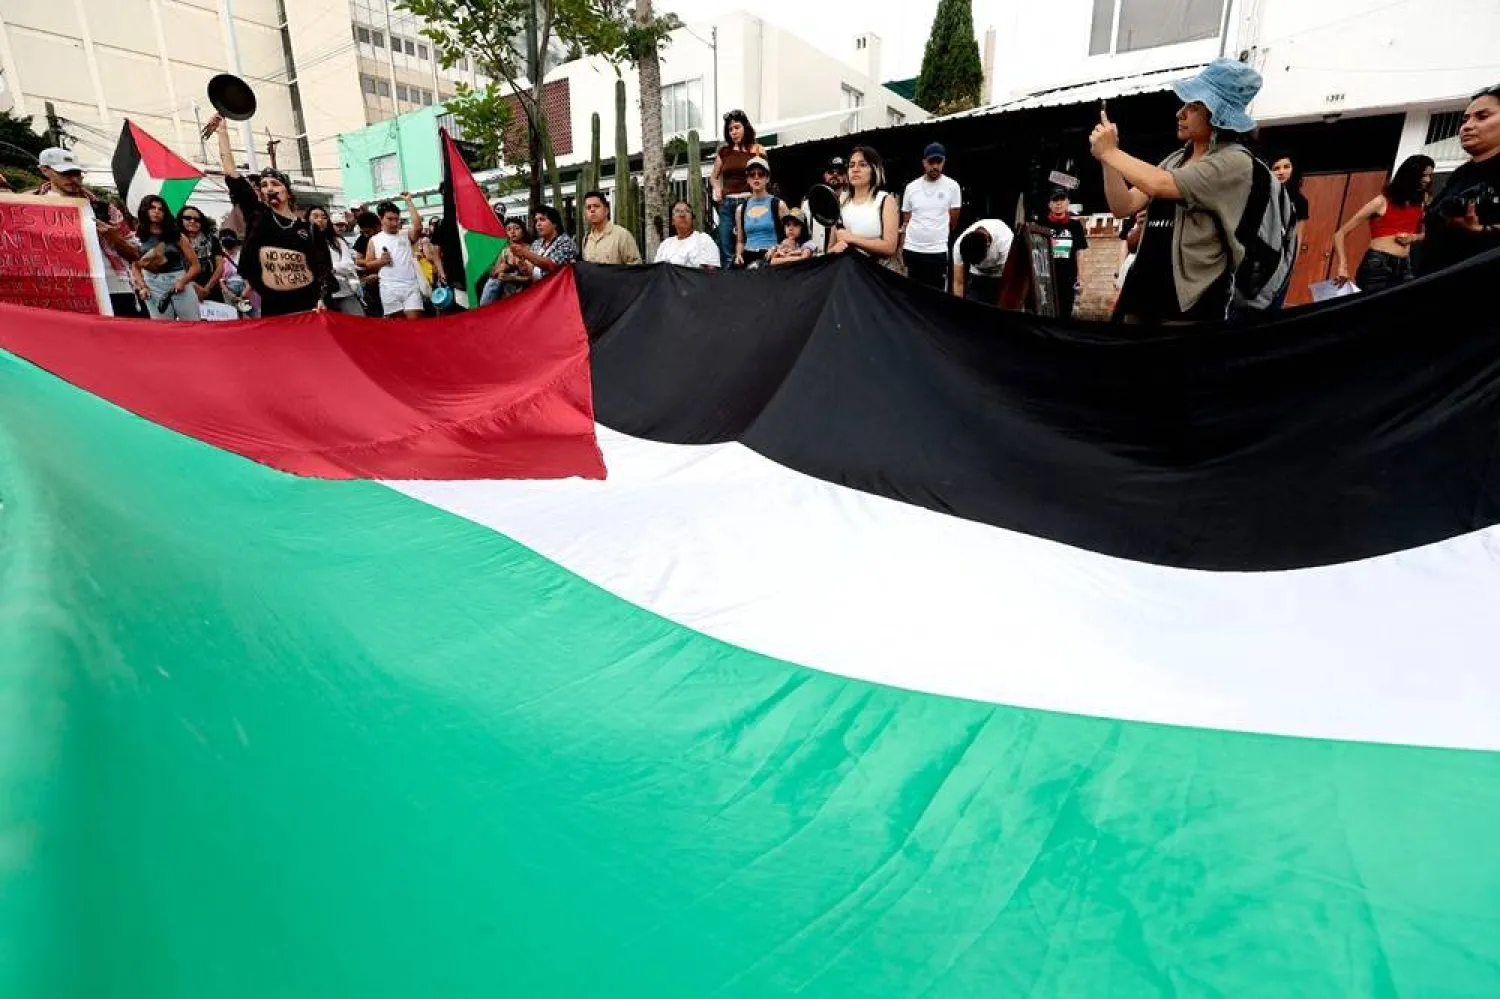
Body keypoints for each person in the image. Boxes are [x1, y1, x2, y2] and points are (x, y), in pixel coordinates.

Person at [1093, 58, 1263, 324]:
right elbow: (1123, 205)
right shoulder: (1174, 160)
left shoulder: (1234, 161)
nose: (1180, 113)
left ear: (1217, 115)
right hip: (1143, 295)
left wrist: (1112, 151)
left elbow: (1160, 184)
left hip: (1189, 305)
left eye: (1193, 107)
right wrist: (1108, 159)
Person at [209, 115, 331, 315]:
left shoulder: (308, 229)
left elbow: (323, 267)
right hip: (273, 307)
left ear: (288, 192)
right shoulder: (259, 216)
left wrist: (322, 298)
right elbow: (233, 176)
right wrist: (222, 132)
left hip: (307, 306)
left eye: (275, 184)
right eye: (264, 185)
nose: (269, 188)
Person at [33, 147, 142, 317]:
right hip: (62, 291)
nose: (73, 179)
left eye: (77, 173)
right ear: (45, 171)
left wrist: (113, 237)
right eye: (65, 174)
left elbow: (136, 253)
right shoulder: (32, 209)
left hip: (113, 287)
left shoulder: (104, 208)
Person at [1420, 85, 1500, 275]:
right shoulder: (1460, 174)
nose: (1467, 126)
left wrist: (1483, 230)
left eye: (1482, 117)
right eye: (1465, 119)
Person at [1331, 154, 1433, 294]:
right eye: (1423, 175)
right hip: (1378, 263)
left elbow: (1427, 234)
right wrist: (1342, 266)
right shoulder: (1382, 201)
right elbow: (1339, 234)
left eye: (1429, 175)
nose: (1427, 180)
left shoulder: (1421, 202)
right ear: (1410, 175)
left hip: (1405, 264)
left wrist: (1413, 238)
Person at [900, 143, 962, 291]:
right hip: (913, 248)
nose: (935, 166)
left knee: (937, 294)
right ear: (924, 162)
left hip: (937, 250)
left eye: (938, 162)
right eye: (931, 162)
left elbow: (953, 219)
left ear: (944, 162)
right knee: (912, 293)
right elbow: (906, 219)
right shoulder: (911, 187)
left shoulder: (952, 186)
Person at [710, 110, 767, 267]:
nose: (734, 132)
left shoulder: (756, 149)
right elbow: (714, 177)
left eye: (737, 127)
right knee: (727, 248)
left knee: (751, 246)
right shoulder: (724, 152)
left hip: (750, 204)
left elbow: (763, 175)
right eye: (730, 129)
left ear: (745, 128)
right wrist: (717, 189)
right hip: (728, 204)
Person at [131, 194, 202, 321]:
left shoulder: (177, 236)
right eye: (152, 208)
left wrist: (183, 281)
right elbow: (135, 266)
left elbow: (196, 266)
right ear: (144, 210)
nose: (157, 212)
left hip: (178, 281)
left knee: (192, 324)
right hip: (152, 285)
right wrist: (143, 287)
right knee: (162, 329)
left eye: (161, 209)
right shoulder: (137, 237)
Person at [828, 146, 899, 264]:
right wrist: (834, 250)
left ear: (874, 169)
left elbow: (890, 247)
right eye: (851, 165)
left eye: (862, 165)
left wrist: (852, 239)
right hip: (845, 273)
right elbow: (831, 247)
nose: (855, 169)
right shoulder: (841, 201)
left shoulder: (885, 200)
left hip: (873, 275)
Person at [361, 194, 425, 318]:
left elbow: (418, 227)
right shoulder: (374, 240)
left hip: (410, 285)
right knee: (399, 327)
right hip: (388, 287)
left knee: (415, 325)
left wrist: (409, 202)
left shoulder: (405, 234)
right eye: (390, 219)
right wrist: (380, 261)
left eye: (397, 219)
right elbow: (368, 265)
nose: (394, 223)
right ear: (381, 219)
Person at [309, 205, 365, 315]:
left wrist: (330, 269)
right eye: (315, 216)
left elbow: (348, 265)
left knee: (357, 324)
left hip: (343, 291)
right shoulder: (303, 242)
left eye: (324, 217)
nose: (320, 220)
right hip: (316, 297)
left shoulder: (337, 241)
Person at [1042, 190, 1089, 317]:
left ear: (1068, 202)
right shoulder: (1041, 224)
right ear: (1049, 204)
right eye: (1055, 201)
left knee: (1065, 310)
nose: (1058, 203)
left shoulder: (1075, 225)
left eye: (1062, 200)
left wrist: (1080, 275)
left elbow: (1080, 251)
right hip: (1045, 275)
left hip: (1068, 275)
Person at [733, 157, 787, 267]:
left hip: (772, 257)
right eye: (752, 175)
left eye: (761, 174)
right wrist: (738, 254)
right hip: (748, 259)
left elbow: (790, 237)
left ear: (767, 178)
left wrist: (776, 249)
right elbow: (740, 241)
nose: (756, 177)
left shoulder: (779, 205)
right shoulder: (740, 209)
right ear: (747, 179)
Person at [508, 205, 577, 283]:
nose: (538, 224)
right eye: (536, 221)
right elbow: (531, 272)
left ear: (554, 224)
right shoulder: (536, 243)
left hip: (557, 289)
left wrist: (525, 253)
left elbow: (551, 265)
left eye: (542, 220)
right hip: (538, 289)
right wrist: (524, 268)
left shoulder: (565, 242)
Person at [950, 218, 1014, 303]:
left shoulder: (1005, 241)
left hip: (1001, 275)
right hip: (976, 276)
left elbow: (1011, 279)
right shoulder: (959, 246)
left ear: (988, 245)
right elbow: (958, 282)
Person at [579, 191, 641, 265]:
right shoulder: (586, 239)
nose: (592, 210)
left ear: (606, 210)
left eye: (596, 206)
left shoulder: (621, 235)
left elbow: (636, 266)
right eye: (588, 207)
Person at [654, 200, 720, 269]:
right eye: (677, 211)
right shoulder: (665, 245)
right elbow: (658, 272)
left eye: (687, 211)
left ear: (692, 219)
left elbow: (712, 273)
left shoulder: (703, 239)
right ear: (672, 221)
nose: (682, 215)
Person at [178, 206, 224, 303]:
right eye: (188, 218)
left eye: (197, 219)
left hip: (211, 289)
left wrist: (206, 289)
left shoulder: (212, 240)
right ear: (181, 220)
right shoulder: (174, 241)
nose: (192, 221)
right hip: (185, 288)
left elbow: (220, 267)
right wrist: (191, 285)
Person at [803, 156, 848, 253]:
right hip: (817, 261)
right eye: (831, 171)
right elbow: (802, 235)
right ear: (824, 175)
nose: (835, 174)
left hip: (841, 261)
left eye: (840, 172)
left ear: (846, 178)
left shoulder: (851, 203)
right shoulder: (808, 203)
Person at [351, 211, 383, 316]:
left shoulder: (387, 236)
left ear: (377, 226)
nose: (366, 235)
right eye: (363, 232)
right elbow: (358, 260)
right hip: (372, 281)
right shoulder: (362, 239)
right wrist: (372, 263)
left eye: (368, 231)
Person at [218, 230, 257, 316]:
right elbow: (221, 279)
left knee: (252, 314)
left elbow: (250, 274)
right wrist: (230, 294)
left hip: (245, 288)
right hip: (229, 289)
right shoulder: (222, 258)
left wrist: (245, 290)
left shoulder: (243, 255)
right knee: (233, 315)